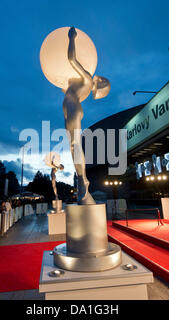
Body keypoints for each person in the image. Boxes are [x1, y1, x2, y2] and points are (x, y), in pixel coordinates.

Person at [63, 27, 110, 205]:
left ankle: (83, 180)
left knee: (74, 144)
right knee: (72, 146)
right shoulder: (82, 86)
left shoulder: (88, 79)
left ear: (99, 81)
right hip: (71, 107)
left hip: (73, 107)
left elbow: (71, 59)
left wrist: (72, 38)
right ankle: (82, 179)